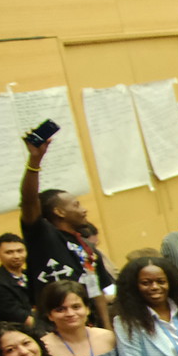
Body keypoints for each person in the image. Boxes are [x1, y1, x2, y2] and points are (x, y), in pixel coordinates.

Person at [19, 134, 112, 317]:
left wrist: (106, 327)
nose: (84, 210)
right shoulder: (43, 236)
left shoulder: (88, 248)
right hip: (54, 322)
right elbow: (29, 201)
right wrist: (34, 161)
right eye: (76, 205)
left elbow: (97, 292)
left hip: (87, 321)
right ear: (59, 212)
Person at [0, 232, 32, 324]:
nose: (16, 256)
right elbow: (24, 320)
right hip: (17, 329)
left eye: (20, 251)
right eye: (9, 252)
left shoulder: (29, 275)